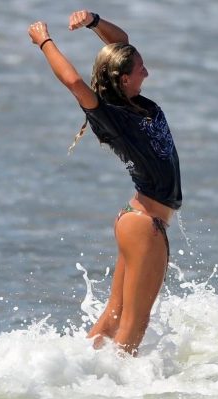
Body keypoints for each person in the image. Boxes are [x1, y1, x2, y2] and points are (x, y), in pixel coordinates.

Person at [28, 10, 182, 356]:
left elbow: (121, 44)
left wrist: (94, 22)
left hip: (136, 219)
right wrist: (45, 42)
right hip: (145, 225)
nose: (147, 71)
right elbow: (74, 83)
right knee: (133, 326)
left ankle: (75, 369)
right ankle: (118, 396)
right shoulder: (111, 117)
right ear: (124, 79)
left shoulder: (132, 102)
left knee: (114, 316)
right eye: (140, 68)